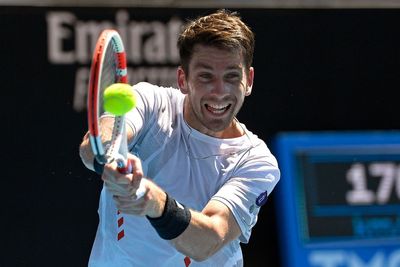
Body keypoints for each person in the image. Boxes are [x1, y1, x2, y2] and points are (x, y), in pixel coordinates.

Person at [79, 9, 280, 267]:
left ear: (248, 80)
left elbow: (208, 240)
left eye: (232, 76)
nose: (220, 92)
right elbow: (97, 142)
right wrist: (112, 161)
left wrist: (154, 201)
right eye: (205, 76)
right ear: (182, 80)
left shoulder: (257, 162)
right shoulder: (150, 101)